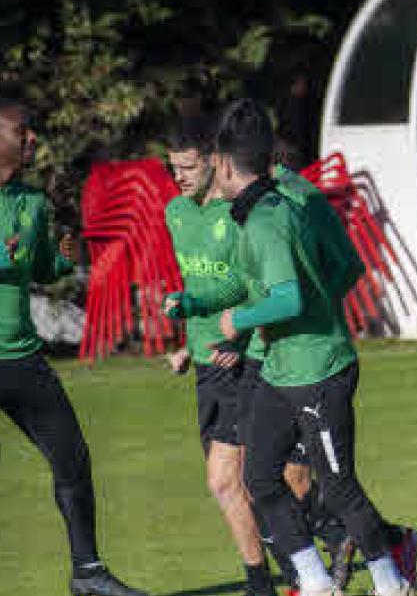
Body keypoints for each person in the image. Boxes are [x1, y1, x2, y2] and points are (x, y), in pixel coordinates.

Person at [0, 98, 147, 596]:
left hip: (25, 359)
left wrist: (67, 258)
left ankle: (88, 573)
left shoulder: (30, 202)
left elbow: (42, 267)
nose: (32, 140)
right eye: (22, 132)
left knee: (74, 460)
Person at [211, 99, 415, 596]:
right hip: (281, 372)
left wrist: (241, 319)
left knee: (337, 485)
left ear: (222, 164)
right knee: (259, 478)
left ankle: (392, 585)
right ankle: (314, 581)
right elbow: (339, 270)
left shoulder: (269, 219)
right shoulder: (274, 206)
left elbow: (287, 297)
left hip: (317, 370)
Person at [162, 118, 278, 596]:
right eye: (173, 169)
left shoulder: (239, 212)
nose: (180, 177)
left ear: (215, 161)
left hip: (246, 357)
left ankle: (269, 580)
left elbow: (255, 284)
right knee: (256, 483)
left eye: (189, 167)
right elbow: (199, 287)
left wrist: (238, 339)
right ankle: (295, 569)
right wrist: (188, 343)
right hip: (209, 365)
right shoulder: (175, 213)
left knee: (233, 481)